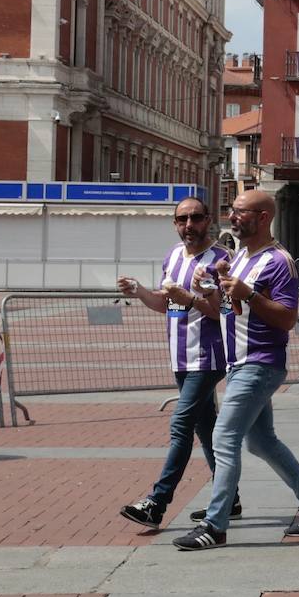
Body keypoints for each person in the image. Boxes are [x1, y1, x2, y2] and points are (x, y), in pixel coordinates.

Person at [173, 190, 299, 550]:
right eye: (232, 210)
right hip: (239, 362)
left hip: (260, 362)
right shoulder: (241, 256)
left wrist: (248, 294)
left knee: (223, 438)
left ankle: (216, 525)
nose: (232, 216)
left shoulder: (279, 261)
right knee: (261, 442)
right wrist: (208, 292)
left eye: (240, 212)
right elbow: (228, 309)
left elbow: (288, 318)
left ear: (263, 217)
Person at [117, 197, 240, 529]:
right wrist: (141, 291)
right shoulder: (172, 256)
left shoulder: (221, 261)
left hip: (209, 355)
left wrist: (193, 298)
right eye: (182, 219)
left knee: (181, 425)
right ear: (174, 223)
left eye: (195, 217)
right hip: (181, 356)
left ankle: (157, 502)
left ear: (208, 220)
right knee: (206, 427)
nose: (189, 225)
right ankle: (230, 497)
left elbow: (224, 311)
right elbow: (166, 303)